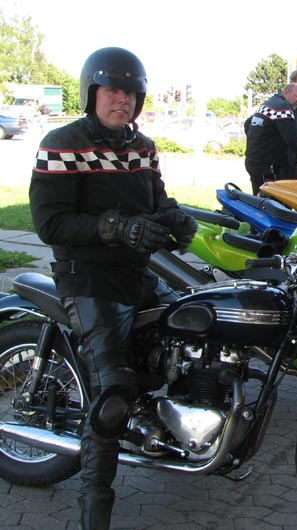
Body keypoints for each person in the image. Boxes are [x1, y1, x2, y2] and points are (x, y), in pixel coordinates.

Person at [28, 47, 197, 530]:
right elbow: (50, 223)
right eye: (112, 90)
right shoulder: (62, 144)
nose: (122, 100)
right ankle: (93, 514)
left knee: (198, 337)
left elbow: (157, 201)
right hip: (88, 279)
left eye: (130, 93)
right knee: (113, 393)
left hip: (138, 277)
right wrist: (116, 228)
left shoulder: (142, 146)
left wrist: (176, 220)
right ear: (91, 93)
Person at [244, 83, 297, 194]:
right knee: (273, 200)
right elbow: (294, 140)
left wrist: (259, 141)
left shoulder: (268, 104)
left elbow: (247, 124)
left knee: (259, 198)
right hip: (268, 166)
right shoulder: (282, 108)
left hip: (254, 161)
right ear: (286, 93)